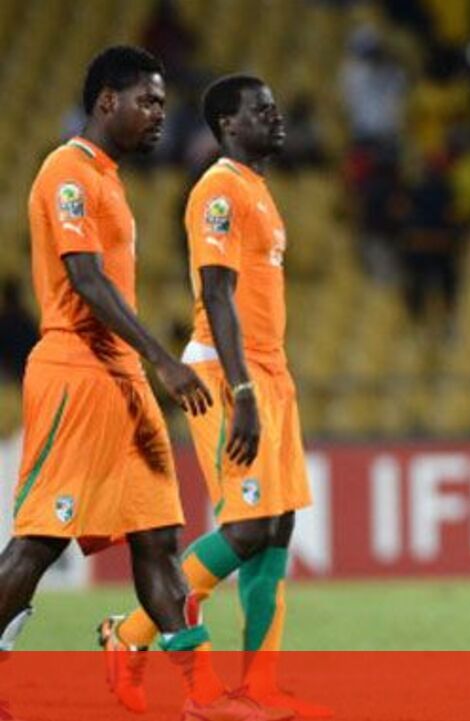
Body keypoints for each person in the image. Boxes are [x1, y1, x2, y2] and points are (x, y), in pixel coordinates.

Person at [0, 46, 275, 721]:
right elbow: (85, 280)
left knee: (158, 536)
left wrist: (142, 365)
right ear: (106, 102)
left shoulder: (109, 180)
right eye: (147, 101)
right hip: (77, 372)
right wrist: (162, 358)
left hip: (120, 375)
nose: (159, 114)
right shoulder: (67, 172)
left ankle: (202, 695)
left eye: (161, 103)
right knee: (40, 540)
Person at [97, 74, 325, 718]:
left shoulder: (256, 189)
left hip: (270, 371)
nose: (276, 117)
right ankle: (130, 633)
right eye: (261, 110)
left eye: (275, 108)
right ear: (228, 124)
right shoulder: (218, 190)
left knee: (277, 526)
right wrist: (243, 388)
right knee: (247, 528)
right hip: (232, 374)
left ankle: (260, 687)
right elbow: (217, 293)